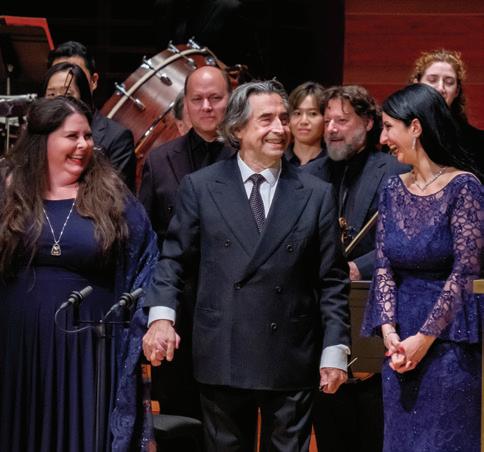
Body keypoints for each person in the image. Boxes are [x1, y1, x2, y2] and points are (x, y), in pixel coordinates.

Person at [141, 79, 351, 451]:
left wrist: (336, 348)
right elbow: (173, 259)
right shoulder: (200, 187)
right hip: (223, 349)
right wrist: (161, 318)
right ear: (237, 129)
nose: (280, 129)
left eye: (283, 119)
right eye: (266, 119)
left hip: (290, 352)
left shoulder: (316, 193)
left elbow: (332, 280)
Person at [0, 96, 158, 452]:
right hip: (16, 344)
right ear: (43, 140)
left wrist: (154, 319)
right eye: (72, 136)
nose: (84, 145)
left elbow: (147, 259)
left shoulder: (110, 194)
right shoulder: (7, 188)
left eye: (88, 136)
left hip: (87, 346)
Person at [362, 83, 483, 452]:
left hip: (448, 343)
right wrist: (389, 332)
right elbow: (383, 265)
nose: (382, 139)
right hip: (400, 343)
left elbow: (465, 272)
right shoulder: (392, 189)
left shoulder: (464, 187)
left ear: (415, 127)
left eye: (388, 127)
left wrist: (423, 339)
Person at [312, 85, 408, 452]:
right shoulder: (308, 174)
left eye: (342, 120)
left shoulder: (395, 171)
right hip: (322, 320)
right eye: (327, 120)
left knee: (373, 432)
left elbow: (400, 240)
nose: (332, 128)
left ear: (368, 123)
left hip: (376, 312)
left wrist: (356, 267)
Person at [47, 41, 137, 191]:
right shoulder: (37, 132)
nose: (60, 98)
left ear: (93, 81)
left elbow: (116, 197)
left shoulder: (116, 138)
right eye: (52, 93)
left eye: (76, 74)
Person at [410, 48, 484, 175]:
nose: (440, 88)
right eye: (432, 80)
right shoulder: (398, 131)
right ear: (417, 84)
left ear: (457, 91)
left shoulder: (478, 141)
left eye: (449, 82)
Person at [285, 81, 326, 175]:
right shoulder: (277, 160)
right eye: (297, 113)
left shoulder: (334, 166)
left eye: (313, 114)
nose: (303, 121)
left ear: (325, 119)